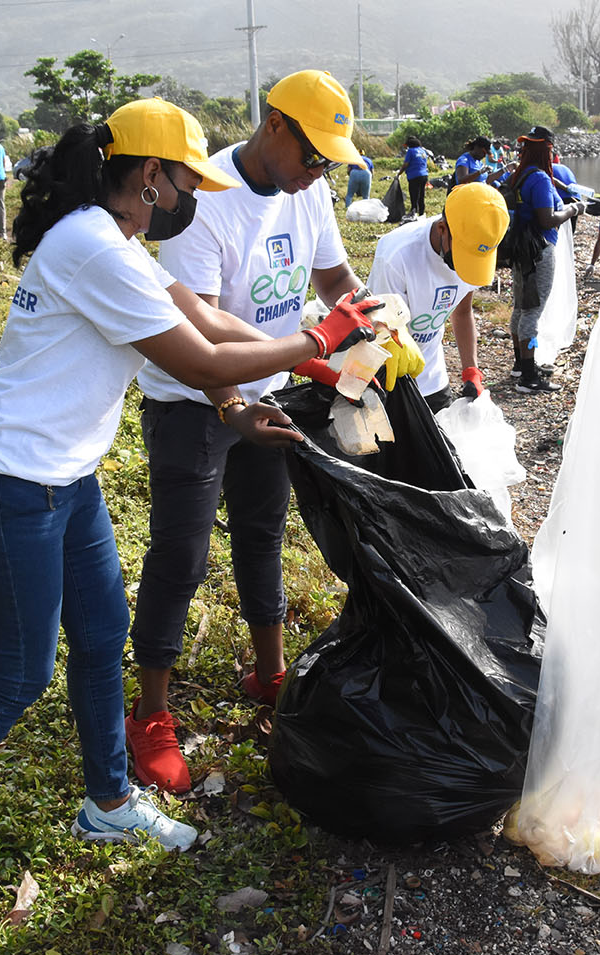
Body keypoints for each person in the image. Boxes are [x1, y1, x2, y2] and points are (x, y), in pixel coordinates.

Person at [0, 98, 382, 916]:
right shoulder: (90, 246)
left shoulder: (115, 240)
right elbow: (203, 350)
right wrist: (319, 343)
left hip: (64, 481)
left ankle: (108, 803)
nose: (190, 196)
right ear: (151, 176)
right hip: (7, 484)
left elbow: (203, 319)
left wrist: (233, 407)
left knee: (104, 635)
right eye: (186, 180)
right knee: (17, 674)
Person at [127, 70, 423, 795]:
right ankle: (150, 715)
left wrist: (374, 323)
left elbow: (333, 284)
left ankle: (270, 672)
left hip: (266, 388)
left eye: (330, 161)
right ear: (274, 126)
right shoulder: (204, 203)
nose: (318, 172)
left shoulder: (309, 190)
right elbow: (195, 332)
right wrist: (232, 406)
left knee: (263, 534)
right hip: (195, 401)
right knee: (182, 556)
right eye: (312, 155)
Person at [366, 182, 510, 411]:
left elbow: (462, 313)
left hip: (432, 378)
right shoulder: (397, 256)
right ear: (442, 228)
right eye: (460, 257)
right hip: (389, 379)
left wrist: (471, 370)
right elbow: (381, 328)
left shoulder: (474, 242)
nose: (462, 268)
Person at [504, 125, 588, 393]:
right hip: (539, 249)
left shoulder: (520, 175)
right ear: (546, 150)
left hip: (520, 248)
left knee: (521, 306)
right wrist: (573, 209)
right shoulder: (539, 179)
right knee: (532, 311)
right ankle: (529, 378)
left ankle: (521, 364)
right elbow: (547, 219)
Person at [398, 135, 430, 216]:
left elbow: (406, 164)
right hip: (424, 175)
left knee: (414, 194)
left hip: (414, 176)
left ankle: (414, 210)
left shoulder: (411, 151)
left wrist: (399, 173)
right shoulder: (423, 151)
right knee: (421, 194)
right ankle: (422, 212)